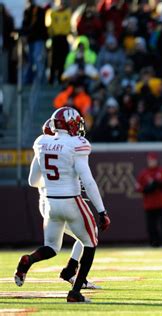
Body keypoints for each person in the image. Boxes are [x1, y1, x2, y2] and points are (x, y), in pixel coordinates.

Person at [15, 107, 111, 303]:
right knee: (90, 242)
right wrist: (102, 211)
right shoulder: (76, 144)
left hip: (50, 203)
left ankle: (29, 260)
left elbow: (33, 181)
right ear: (71, 124)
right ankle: (75, 291)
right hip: (71, 199)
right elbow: (89, 181)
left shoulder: (42, 143)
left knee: (51, 247)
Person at [39, 118, 100, 290]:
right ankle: (72, 273)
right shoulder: (56, 147)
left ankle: (70, 270)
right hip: (57, 201)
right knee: (87, 236)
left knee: (86, 234)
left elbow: (35, 179)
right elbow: (33, 179)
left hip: (51, 201)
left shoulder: (46, 147)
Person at [136, 153, 162, 247]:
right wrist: (147, 188)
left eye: (153, 160)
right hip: (150, 205)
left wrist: (161, 184)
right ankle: (154, 244)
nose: (151, 162)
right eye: (150, 160)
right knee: (151, 226)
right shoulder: (144, 174)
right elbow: (138, 187)